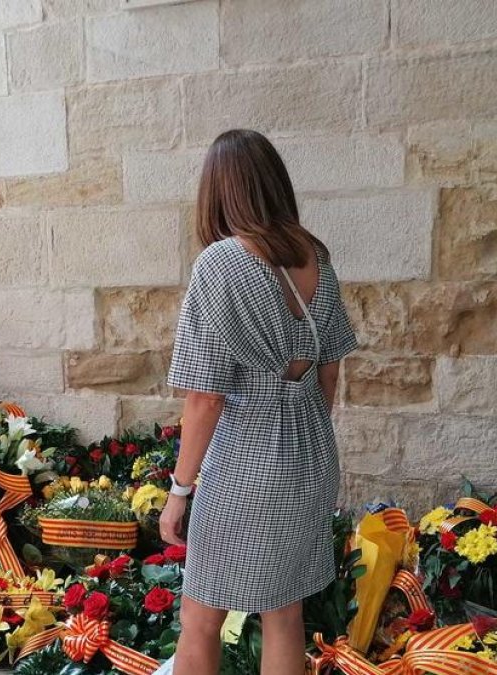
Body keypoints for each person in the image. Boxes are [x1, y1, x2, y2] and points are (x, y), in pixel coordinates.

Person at [160, 129, 358, 674]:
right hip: (311, 455)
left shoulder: (220, 263)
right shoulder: (315, 256)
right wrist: (302, 428)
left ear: (219, 192)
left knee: (200, 616)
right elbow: (330, 370)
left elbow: (205, 397)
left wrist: (179, 491)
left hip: (247, 460)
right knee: (284, 613)